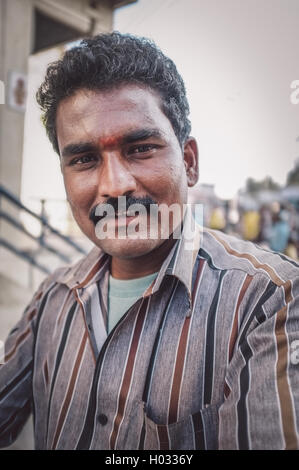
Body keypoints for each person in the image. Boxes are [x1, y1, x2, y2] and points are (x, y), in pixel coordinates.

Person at [0, 32, 298, 450]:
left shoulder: (270, 300)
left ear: (188, 163)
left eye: (140, 148)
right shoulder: (51, 299)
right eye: (84, 159)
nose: (114, 186)